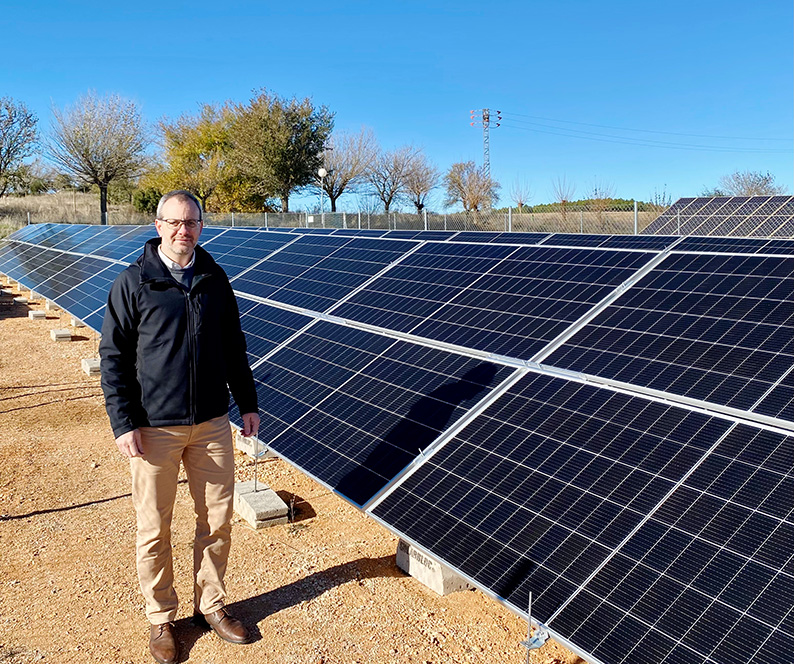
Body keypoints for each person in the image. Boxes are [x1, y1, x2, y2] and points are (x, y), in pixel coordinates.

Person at [99, 190, 260, 664]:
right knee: (154, 527)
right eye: (173, 222)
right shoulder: (132, 284)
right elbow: (114, 360)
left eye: (190, 223)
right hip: (153, 429)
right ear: (157, 225)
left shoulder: (214, 279)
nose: (182, 230)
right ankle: (161, 619)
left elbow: (234, 346)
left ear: (201, 228)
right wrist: (123, 421)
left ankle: (210, 606)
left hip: (211, 423)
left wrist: (246, 403)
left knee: (217, 522)